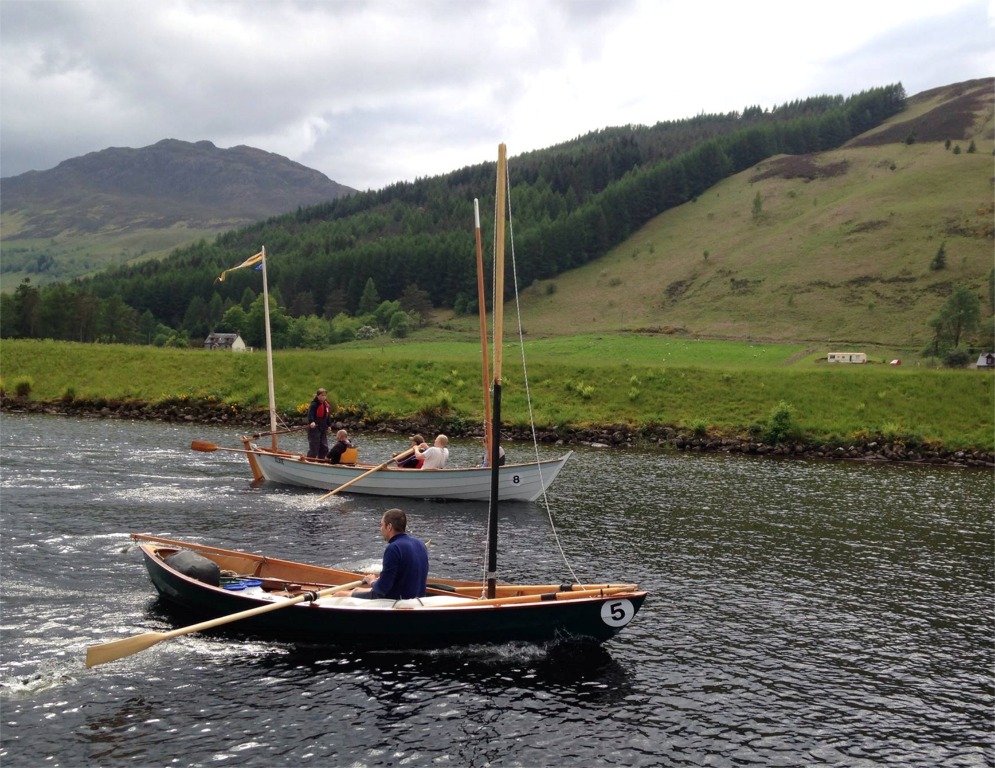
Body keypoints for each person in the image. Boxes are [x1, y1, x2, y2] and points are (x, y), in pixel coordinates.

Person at [336, 508, 429, 600]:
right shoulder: (420, 544)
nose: (381, 529)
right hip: (418, 600)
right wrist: (379, 580)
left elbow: (382, 589)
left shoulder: (394, 548)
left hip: (396, 602)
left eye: (381, 525)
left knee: (339, 595)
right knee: (356, 589)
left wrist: (372, 581)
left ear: (389, 527)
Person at [306, 388, 333, 459]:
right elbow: (310, 414)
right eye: (321, 395)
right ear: (318, 396)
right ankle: (311, 459)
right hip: (315, 427)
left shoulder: (326, 405)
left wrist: (329, 425)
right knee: (314, 444)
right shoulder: (314, 405)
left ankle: (322, 459)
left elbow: (328, 416)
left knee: (324, 445)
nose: (323, 397)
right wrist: (311, 422)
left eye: (324, 395)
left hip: (323, 427)